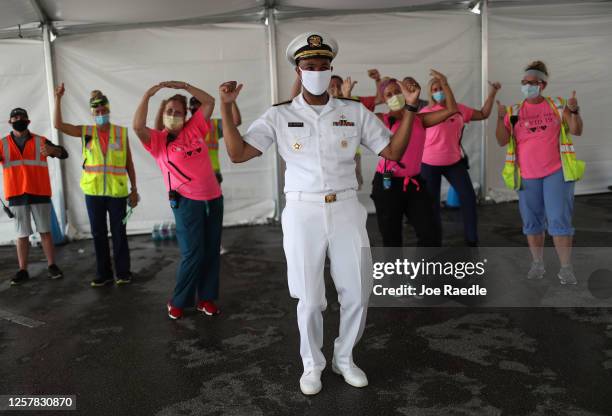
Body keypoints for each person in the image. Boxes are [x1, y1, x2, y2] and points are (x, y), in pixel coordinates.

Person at [218, 32, 420, 395]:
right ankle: (312, 364)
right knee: (310, 298)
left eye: (323, 66)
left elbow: (392, 151)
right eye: (309, 66)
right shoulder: (279, 114)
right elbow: (237, 153)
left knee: (357, 292)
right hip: (302, 210)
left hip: (345, 207)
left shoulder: (353, 111)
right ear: (298, 69)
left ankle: (345, 358)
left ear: (331, 69)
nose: (317, 72)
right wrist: (225, 107)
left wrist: (410, 109)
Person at [133, 81, 223, 319]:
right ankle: (179, 300)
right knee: (193, 252)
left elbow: (209, 101)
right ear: (163, 114)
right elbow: (137, 125)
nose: (174, 115)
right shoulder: (158, 141)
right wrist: (148, 95)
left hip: (213, 198)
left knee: (211, 250)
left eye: (179, 112)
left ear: (185, 116)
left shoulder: (195, 129)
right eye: (170, 112)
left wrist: (185, 86)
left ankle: (206, 299)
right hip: (186, 202)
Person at [496, 61, 584, 284]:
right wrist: (499, 118)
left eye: (531, 83)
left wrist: (574, 111)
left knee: (559, 221)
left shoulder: (558, 105)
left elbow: (576, 130)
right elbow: (501, 140)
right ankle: (537, 264)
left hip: (556, 173)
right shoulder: (514, 111)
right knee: (532, 223)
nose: (526, 86)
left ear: (542, 85)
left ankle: (566, 268)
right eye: (524, 82)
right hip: (527, 175)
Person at [54, 84, 139, 287]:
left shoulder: (120, 133)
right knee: (98, 233)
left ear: (108, 110)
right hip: (93, 192)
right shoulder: (86, 132)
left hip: (117, 191)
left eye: (104, 110)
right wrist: (58, 98)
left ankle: (123, 272)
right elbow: (58, 124)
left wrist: (134, 189)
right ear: (93, 113)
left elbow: (129, 163)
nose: (101, 114)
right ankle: (104, 273)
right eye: (97, 111)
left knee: (119, 233)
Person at [371, 74, 458, 247]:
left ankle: (423, 272)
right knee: (391, 238)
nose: (395, 96)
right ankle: (394, 274)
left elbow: (451, 110)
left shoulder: (420, 119)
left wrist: (445, 83)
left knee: (430, 233)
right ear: (384, 99)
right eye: (389, 94)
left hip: (414, 183)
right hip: (387, 183)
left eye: (397, 91)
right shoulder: (381, 119)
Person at [420, 75, 502, 246]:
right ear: (430, 94)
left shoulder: (459, 109)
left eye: (441, 88)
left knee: (469, 198)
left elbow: (483, 114)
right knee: (432, 205)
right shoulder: (425, 113)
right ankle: (434, 241)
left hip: (453, 162)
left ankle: (472, 239)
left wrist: (492, 93)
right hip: (429, 164)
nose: (439, 92)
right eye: (435, 90)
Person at [1, 108, 67, 285]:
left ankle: (52, 265)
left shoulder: (41, 141)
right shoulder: (3, 144)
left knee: (45, 231)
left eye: (22, 117)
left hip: (39, 192)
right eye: (15, 117)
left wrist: (54, 150)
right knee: (22, 235)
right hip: (16, 194)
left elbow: (63, 153)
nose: (18, 119)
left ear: (28, 121)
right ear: (10, 121)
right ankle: (22, 269)